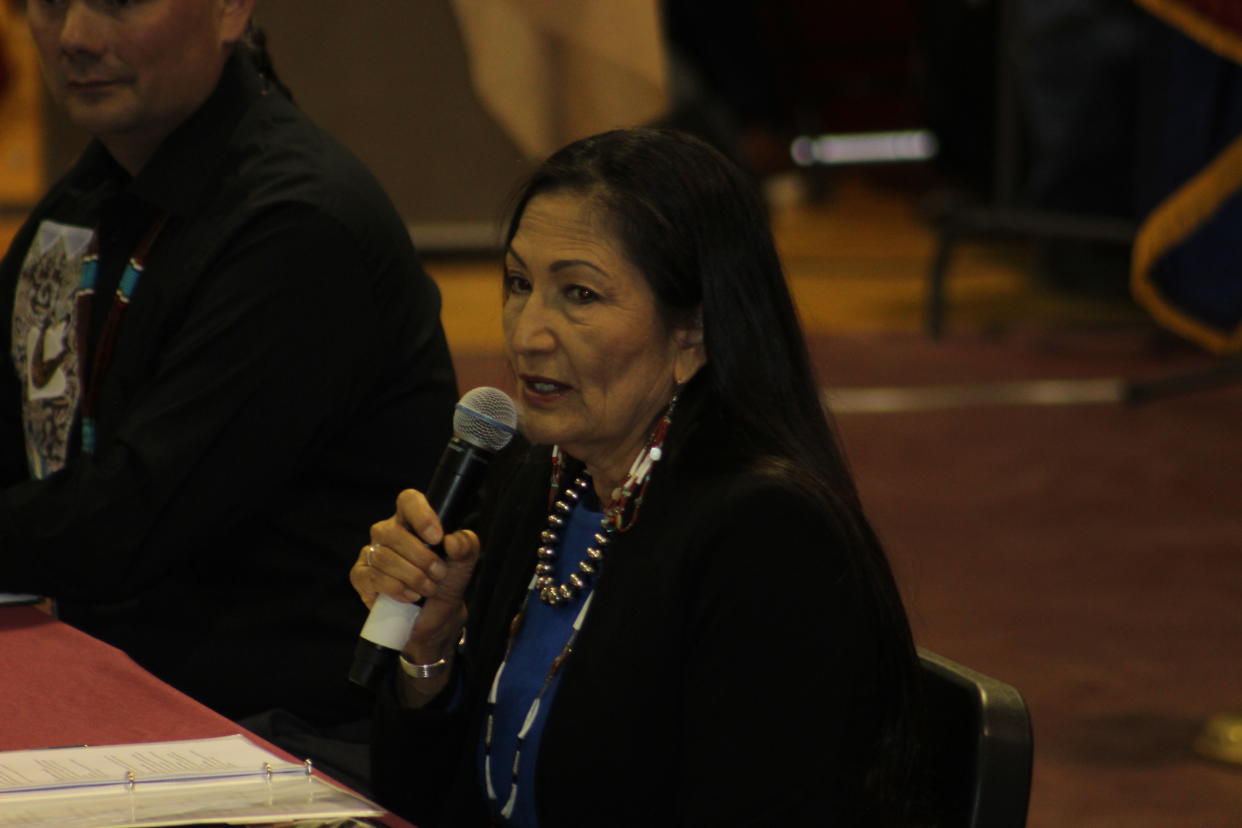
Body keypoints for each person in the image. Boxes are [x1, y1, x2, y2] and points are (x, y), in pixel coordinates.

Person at [352, 127, 920, 826]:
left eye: (580, 295)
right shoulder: (545, 482)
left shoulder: (766, 538)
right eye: (521, 283)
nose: (528, 333)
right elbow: (424, 802)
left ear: (695, 331)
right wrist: (428, 655)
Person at [0, 0, 457, 778]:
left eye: (115, 0)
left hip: (292, 740)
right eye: (46, 2)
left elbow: (129, 522)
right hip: (128, 696)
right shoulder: (86, 202)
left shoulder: (299, 224)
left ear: (229, 8)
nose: (73, 36)